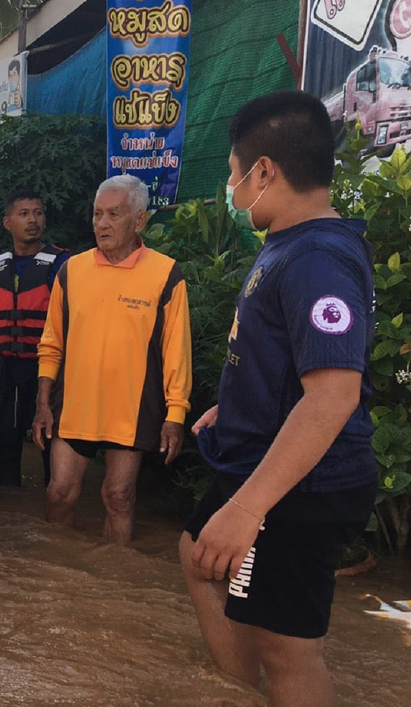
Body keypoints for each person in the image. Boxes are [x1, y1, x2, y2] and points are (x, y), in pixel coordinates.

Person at [182, 91, 378, 707]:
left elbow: (333, 395)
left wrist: (247, 511)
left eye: (237, 175)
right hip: (263, 461)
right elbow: (288, 361)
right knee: (197, 553)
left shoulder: (317, 257)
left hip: (302, 487)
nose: (234, 190)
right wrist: (238, 405)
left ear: (265, 171)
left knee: (288, 649)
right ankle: (238, 693)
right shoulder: (291, 243)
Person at [31, 174, 191, 544]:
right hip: (75, 405)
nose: (102, 224)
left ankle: (113, 580)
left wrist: (175, 414)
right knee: (59, 493)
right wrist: (43, 403)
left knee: (118, 497)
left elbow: (176, 352)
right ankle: (57, 581)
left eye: (114, 215)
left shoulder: (166, 273)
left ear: (140, 220)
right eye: (97, 214)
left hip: (131, 409)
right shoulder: (72, 271)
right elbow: (51, 342)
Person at [0, 189, 69, 487]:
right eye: (24, 214)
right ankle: (13, 510)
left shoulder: (62, 265)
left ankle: (54, 514)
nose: (33, 220)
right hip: (4, 370)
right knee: (4, 442)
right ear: (7, 223)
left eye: (38, 212)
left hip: (47, 371)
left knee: (50, 443)